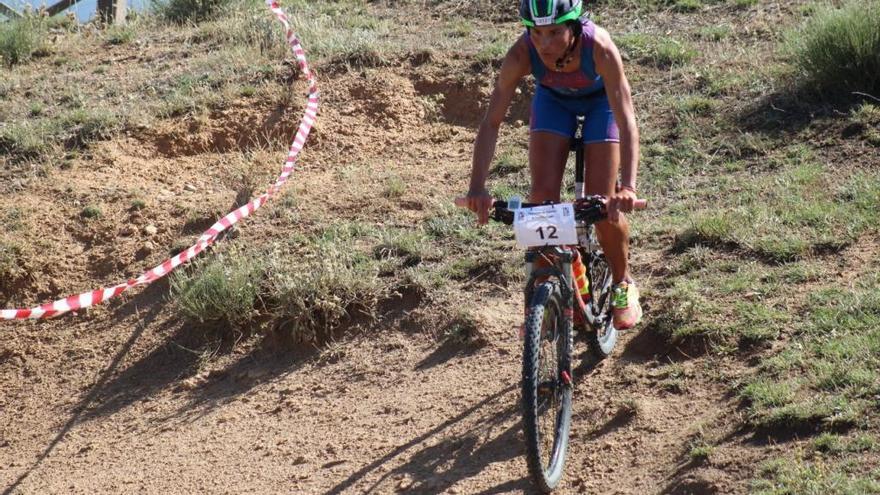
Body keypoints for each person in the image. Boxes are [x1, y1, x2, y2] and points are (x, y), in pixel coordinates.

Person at [462, 0, 643, 329]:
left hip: (601, 106)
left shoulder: (599, 47)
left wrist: (628, 187)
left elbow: (626, 119)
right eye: (536, 33)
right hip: (553, 102)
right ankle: (547, 299)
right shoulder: (520, 54)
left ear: (574, 28)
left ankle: (622, 283)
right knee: (541, 201)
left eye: (555, 33)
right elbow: (491, 123)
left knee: (601, 203)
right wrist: (477, 186)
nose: (544, 44)